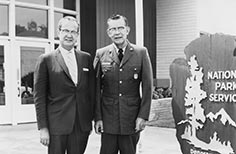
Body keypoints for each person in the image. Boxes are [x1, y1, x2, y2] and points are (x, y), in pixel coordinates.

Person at [34, 16, 95, 154]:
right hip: (57, 126)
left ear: (78, 35)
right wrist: (43, 128)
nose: (69, 35)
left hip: (81, 126)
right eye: (66, 30)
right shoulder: (46, 60)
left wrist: (93, 119)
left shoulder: (86, 58)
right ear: (59, 32)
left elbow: (91, 92)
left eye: (73, 32)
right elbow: (39, 98)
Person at [93, 14, 153, 154]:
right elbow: (95, 90)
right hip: (108, 120)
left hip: (131, 119)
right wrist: (98, 118)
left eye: (121, 28)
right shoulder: (101, 54)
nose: (117, 32)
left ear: (127, 30)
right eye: (113, 29)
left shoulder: (141, 53)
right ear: (108, 32)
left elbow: (148, 87)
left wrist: (142, 116)